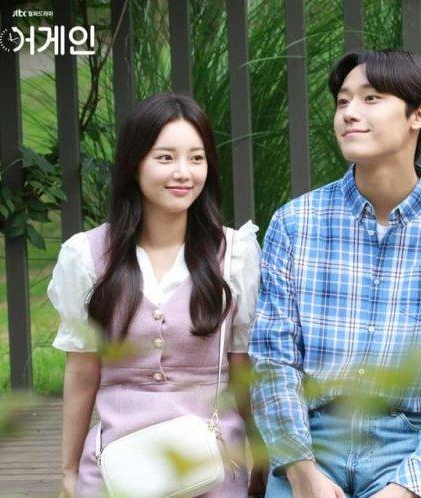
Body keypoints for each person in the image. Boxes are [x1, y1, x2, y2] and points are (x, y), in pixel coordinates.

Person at [249, 50, 421, 498]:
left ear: (419, 114)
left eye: (371, 98)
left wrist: (411, 484)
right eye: (343, 101)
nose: (349, 113)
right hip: (311, 442)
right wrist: (302, 472)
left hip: (410, 446)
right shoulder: (295, 222)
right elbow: (273, 361)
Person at [49, 92, 266, 497]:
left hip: (213, 466)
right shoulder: (86, 256)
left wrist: (261, 460)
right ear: (134, 164)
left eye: (196, 158)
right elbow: (82, 372)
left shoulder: (235, 254)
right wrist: (68, 472)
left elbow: (242, 368)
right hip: (118, 466)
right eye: (165, 158)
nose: (183, 173)